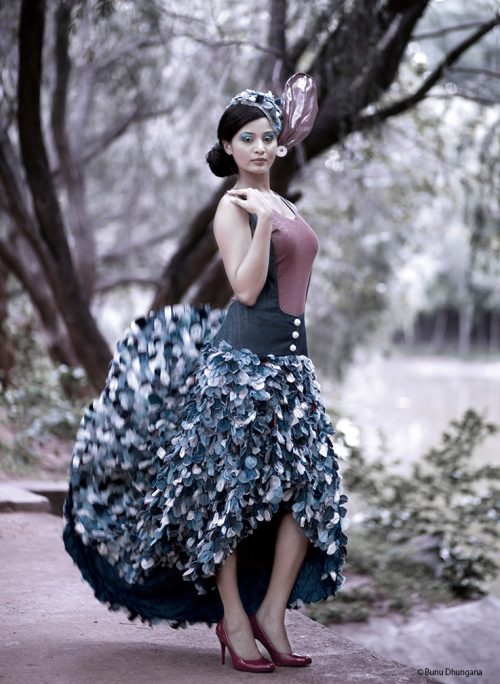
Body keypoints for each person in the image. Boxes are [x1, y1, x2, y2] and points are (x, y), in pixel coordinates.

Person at [63, 73, 348, 675]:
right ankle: (234, 619)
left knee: (311, 491)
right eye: (247, 138)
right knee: (228, 497)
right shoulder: (234, 207)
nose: (260, 147)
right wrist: (262, 222)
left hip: (292, 370)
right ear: (228, 147)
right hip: (241, 370)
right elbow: (244, 288)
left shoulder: (284, 203)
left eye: (268, 136)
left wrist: (274, 214)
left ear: (279, 144)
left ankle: (272, 613)